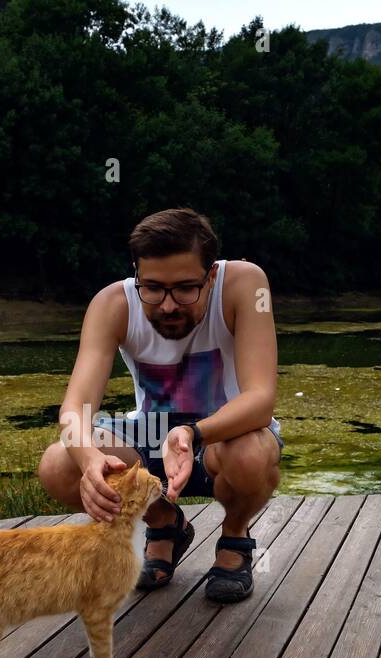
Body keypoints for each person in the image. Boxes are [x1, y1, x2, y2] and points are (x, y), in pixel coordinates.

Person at [37, 208, 281, 603]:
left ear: (212, 275)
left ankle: (235, 533)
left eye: (186, 288)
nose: (168, 305)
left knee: (251, 456)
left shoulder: (245, 283)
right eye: (152, 288)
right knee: (58, 464)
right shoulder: (111, 303)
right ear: (136, 272)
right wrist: (87, 461)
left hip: (225, 436)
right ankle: (166, 523)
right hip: (149, 438)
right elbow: (74, 410)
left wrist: (190, 433)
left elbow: (260, 402)